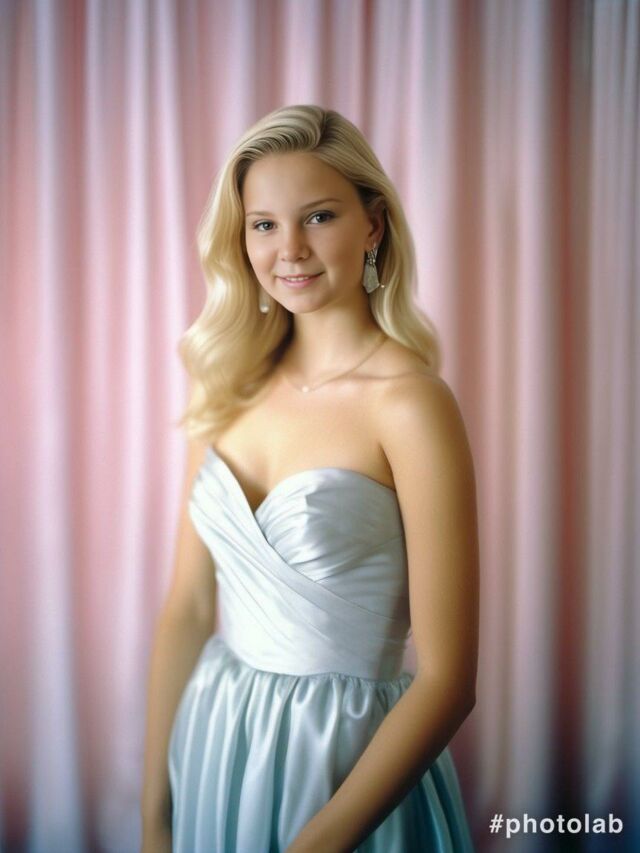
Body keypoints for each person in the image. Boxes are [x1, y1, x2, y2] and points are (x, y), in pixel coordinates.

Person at [140, 104, 479, 853]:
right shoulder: (230, 381)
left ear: (374, 225)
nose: (288, 249)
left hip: (349, 768)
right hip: (217, 740)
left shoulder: (410, 404)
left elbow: (449, 681)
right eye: (263, 224)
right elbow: (188, 609)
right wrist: (155, 818)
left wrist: (316, 844)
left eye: (318, 216)